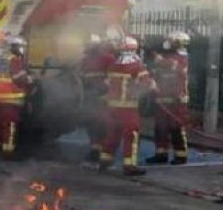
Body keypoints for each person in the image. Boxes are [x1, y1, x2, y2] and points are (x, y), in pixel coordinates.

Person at [100, 35, 157, 176]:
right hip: (129, 107)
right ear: (134, 49)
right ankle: (129, 165)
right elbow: (148, 85)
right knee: (131, 135)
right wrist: (154, 86)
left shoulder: (114, 65)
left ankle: (104, 160)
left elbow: (107, 83)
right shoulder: (137, 66)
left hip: (112, 107)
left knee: (112, 133)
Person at [148, 31, 191, 165]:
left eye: (171, 41)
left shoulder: (182, 57)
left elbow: (172, 65)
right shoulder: (167, 56)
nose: (168, 43)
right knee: (160, 127)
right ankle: (161, 154)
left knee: (176, 128)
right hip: (162, 98)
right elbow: (158, 72)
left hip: (177, 100)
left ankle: (181, 155)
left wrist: (158, 59)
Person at [0, 36, 33, 157]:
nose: (22, 50)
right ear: (14, 47)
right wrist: (31, 79)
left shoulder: (0, 60)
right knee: (9, 125)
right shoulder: (15, 61)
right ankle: (8, 150)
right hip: (11, 100)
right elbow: (19, 78)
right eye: (20, 47)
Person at [79, 31, 116, 163]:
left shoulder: (108, 58)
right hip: (90, 95)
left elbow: (114, 77)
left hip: (104, 95)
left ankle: (105, 150)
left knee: (104, 122)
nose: (86, 47)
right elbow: (82, 77)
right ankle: (95, 148)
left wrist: (107, 92)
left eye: (89, 45)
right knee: (92, 122)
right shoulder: (84, 60)